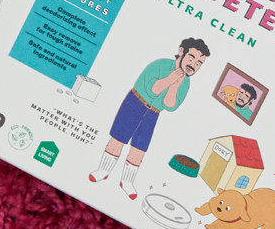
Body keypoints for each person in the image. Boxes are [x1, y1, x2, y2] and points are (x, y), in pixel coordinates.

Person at [89, 37, 210, 199]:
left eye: (198, 63)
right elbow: (152, 90)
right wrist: (170, 79)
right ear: (181, 52)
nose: (193, 65)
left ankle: (127, 181)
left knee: (139, 146)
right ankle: (103, 170)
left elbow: (170, 106)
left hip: (153, 113)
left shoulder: (186, 82)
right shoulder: (160, 64)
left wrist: (175, 86)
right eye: (191, 58)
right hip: (135, 102)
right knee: (118, 137)